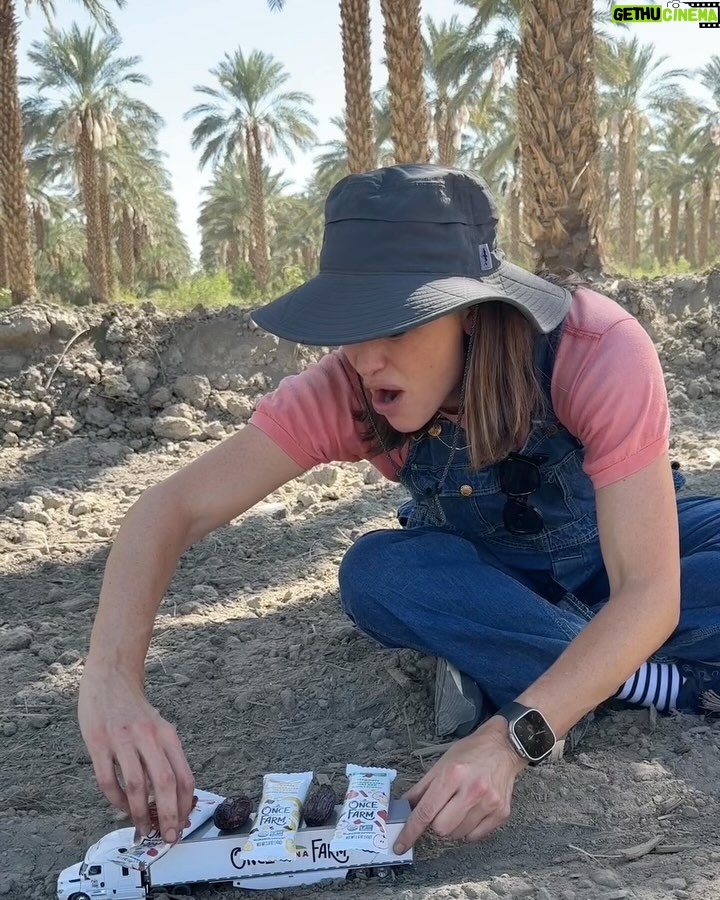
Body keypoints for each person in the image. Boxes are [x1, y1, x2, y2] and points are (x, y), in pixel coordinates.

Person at [78, 164, 720, 858]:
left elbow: (648, 589)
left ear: (471, 307)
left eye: (398, 322)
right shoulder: (344, 390)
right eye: (349, 325)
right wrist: (112, 678)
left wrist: (504, 740)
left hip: (616, 550)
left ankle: (519, 664)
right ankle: (651, 679)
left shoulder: (599, 351)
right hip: (481, 579)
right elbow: (169, 509)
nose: (366, 357)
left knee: (664, 584)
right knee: (378, 573)